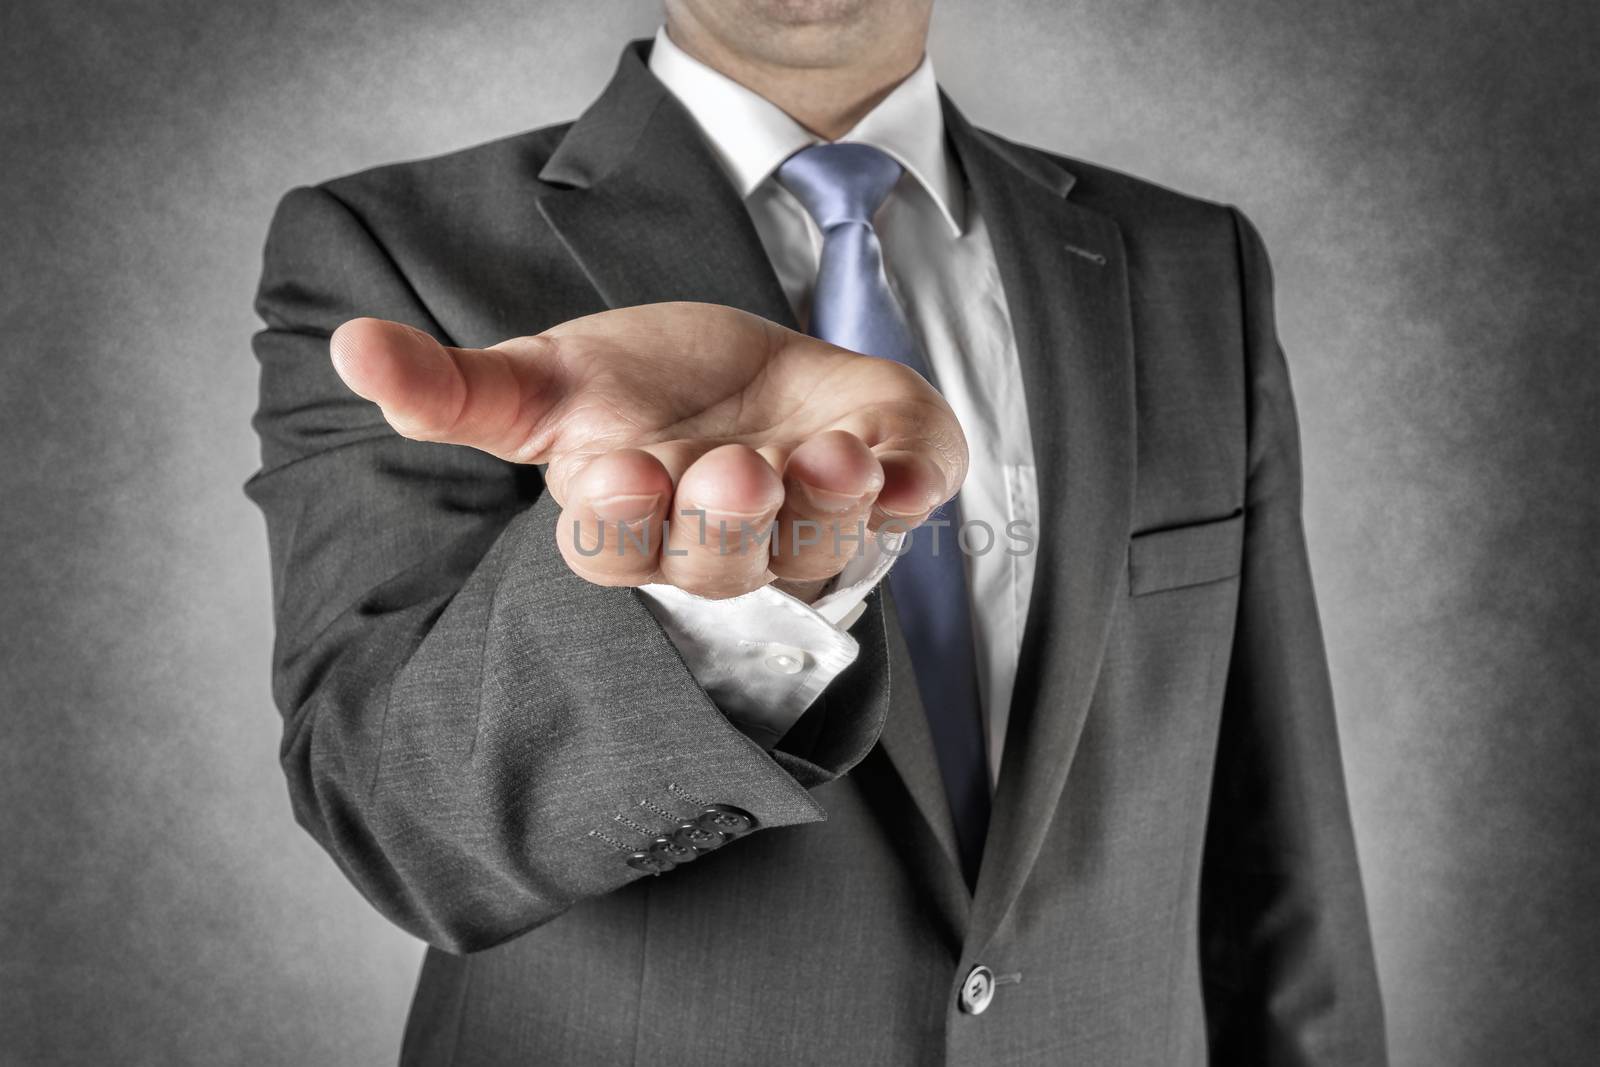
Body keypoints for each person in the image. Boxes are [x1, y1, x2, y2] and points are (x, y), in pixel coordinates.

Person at [246, 0, 1387, 1062]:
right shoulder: (393, 248)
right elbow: (399, 825)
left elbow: (1272, 829)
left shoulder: (1192, 265)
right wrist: (697, 607)